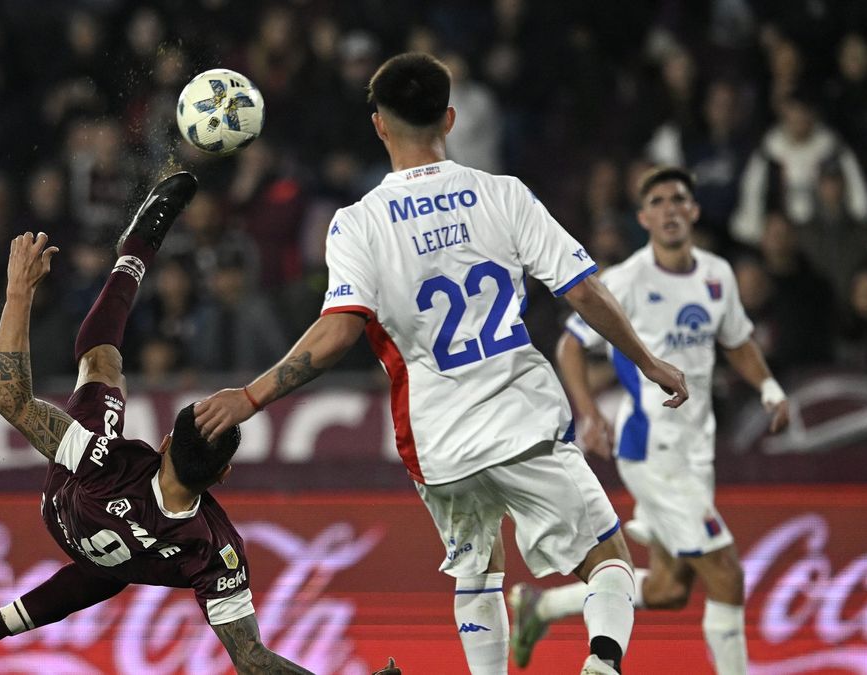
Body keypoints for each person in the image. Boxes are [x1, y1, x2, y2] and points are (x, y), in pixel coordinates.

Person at [194, 53, 688, 675]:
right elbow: (583, 290)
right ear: (449, 119)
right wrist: (646, 360)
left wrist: (252, 394)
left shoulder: (359, 224)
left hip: (439, 442)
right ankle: (602, 662)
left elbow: (339, 331)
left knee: (477, 572)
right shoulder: (503, 196)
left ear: (378, 125)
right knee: (607, 558)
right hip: (523, 422)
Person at [0, 173, 400, 675]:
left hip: (69, 504)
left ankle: (139, 246)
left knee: (101, 363)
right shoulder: (215, 548)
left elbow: (10, 400)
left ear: (163, 441)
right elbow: (253, 662)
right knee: (121, 566)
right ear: (222, 476)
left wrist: (18, 292)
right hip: (121, 555)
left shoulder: (104, 455)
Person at [519, 166, 790, 675]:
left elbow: (737, 340)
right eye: (658, 201)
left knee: (669, 590)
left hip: (696, 453)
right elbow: (570, 342)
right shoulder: (626, 280)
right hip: (652, 451)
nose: (669, 208)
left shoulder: (717, 275)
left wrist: (770, 388)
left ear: (693, 211)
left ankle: (543, 606)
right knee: (727, 575)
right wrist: (590, 412)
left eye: (678, 199)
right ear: (643, 217)